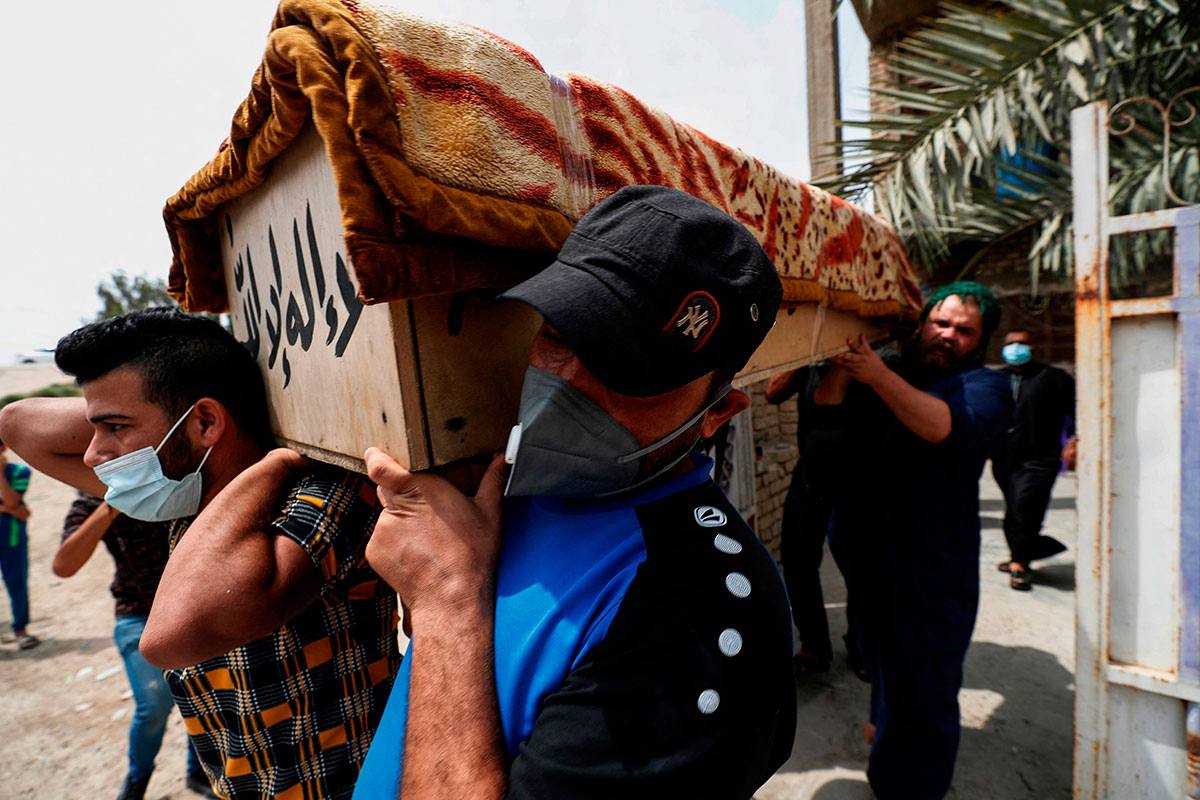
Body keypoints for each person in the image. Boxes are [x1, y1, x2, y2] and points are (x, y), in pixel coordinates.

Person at [351, 185, 797, 799]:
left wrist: (446, 604)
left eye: (629, 369)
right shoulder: (503, 488)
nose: (570, 383)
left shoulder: (705, 612)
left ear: (718, 414)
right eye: (561, 333)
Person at [0, 308, 400, 800]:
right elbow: (17, 423)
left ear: (207, 421)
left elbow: (167, 641)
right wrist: (139, 422)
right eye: (95, 427)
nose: (93, 453)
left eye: (114, 427)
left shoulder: (325, 492)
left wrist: (272, 463)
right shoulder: (184, 488)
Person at [810, 281, 1013, 800]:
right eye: (941, 323)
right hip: (869, 552)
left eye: (965, 331)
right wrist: (843, 360)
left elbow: (940, 427)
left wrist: (874, 374)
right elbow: (828, 409)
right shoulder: (892, 372)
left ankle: (914, 787)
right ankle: (887, 738)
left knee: (926, 681)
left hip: (933, 564)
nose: (949, 336)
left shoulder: (986, 388)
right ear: (921, 324)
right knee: (886, 661)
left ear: (981, 341)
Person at [55, 492, 215, 800]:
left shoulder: (172, 481)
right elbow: (63, 566)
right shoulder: (90, 501)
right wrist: (110, 507)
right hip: (137, 613)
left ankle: (199, 772)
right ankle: (137, 781)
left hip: (189, 606)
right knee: (153, 703)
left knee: (202, 693)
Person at [764, 363, 863, 679]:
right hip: (809, 478)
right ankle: (815, 647)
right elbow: (773, 393)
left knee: (860, 569)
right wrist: (805, 356)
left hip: (859, 483)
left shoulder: (877, 357)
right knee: (796, 562)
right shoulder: (810, 362)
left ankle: (862, 645)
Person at [990, 328, 1076, 591]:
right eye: (1010, 343)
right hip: (1004, 455)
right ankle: (1025, 551)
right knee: (1014, 507)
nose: (1016, 348)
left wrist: (1075, 439)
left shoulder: (1053, 377)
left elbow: (1075, 409)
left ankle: (1019, 562)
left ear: (1034, 348)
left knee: (1026, 503)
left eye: (1022, 343)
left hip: (1041, 456)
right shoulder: (996, 379)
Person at [0, 440, 36, 650]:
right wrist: (11, 509)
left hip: (12, 540)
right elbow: (16, 508)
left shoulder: (19, 472)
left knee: (17, 584)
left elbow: (13, 502)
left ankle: (20, 630)